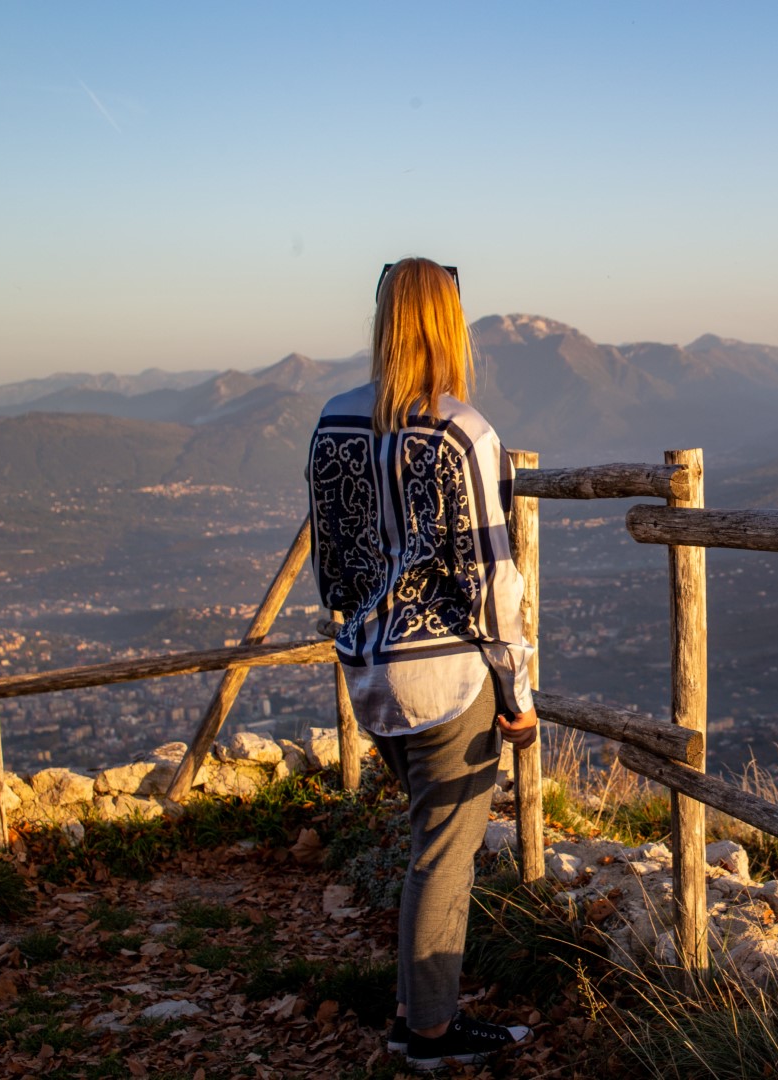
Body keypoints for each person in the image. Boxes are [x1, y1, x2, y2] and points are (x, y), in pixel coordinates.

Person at [306, 256, 538, 1070]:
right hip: (447, 681)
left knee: (424, 847)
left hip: (370, 673)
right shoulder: (461, 432)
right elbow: (489, 576)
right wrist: (517, 688)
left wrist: (364, 631)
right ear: (449, 321)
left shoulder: (334, 422)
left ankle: (418, 1013)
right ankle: (432, 1034)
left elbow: (331, 566)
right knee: (446, 856)